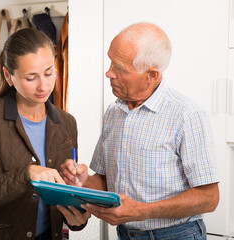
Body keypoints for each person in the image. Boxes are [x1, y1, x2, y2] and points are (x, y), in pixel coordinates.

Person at [60, 22, 219, 240]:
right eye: (110, 62)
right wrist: (83, 181)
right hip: (126, 235)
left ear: (151, 75)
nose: (108, 73)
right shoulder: (114, 112)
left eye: (120, 68)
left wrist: (142, 211)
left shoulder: (187, 115)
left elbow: (209, 198)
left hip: (177, 235)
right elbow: (105, 181)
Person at [0, 28, 90, 240]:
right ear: (8, 76)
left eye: (48, 73)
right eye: (31, 78)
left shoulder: (67, 123)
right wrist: (27, 175)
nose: (43, 86)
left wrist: (79, 212)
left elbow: (64, 208)